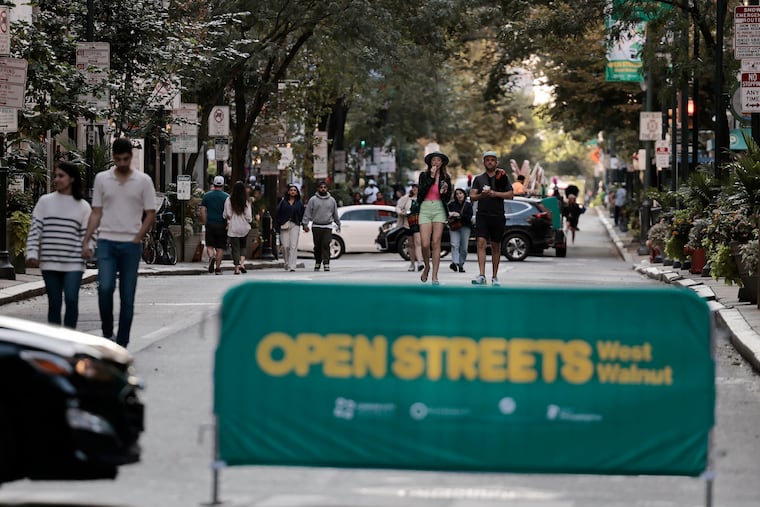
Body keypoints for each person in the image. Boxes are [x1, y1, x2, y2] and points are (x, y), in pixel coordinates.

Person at [82, 138, 156, 347]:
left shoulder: (143, 181)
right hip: (106, 241)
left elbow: (150, 213)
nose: (122, 163)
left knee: (127, 294)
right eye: (118, 159)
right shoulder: (102, 179)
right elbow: (96, 212)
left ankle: (122, 342)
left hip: (131, 245)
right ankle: (107, 334)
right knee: (104, 287)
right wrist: (86, 239)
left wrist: (138, 236)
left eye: (125, 159)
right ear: (113, 158)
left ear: (131, 157)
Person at [26, 161, 92, 328]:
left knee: (71, 299)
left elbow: (89, 233)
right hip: (50, 262)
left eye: (61, 176)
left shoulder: (83, 206)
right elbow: (36, 229)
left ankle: (70, 337)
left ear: (71, 179)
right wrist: (32, 252)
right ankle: (55, 342)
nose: (57, 179)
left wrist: (88, 247)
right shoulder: (45, 202)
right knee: (54, 304)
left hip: (74, 263)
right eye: (56, 175)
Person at [469, 150, 513, 286]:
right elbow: (472, 196)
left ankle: (494, 276)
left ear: (496, 162)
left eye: (492, 160)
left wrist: (495, 193)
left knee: (495, 246)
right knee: (481, 243)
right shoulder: (479, 179)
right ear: (484, 162)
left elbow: (511, 194)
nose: (490, 162)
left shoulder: (503, 177)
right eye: (487, 160)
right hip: (482, 215)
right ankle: (481, 275)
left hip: (498, 216)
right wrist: (482, 195)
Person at [417, 151, 452, 285]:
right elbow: (421, 193)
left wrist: (445, 192)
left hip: (439, 209)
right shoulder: (424, 175)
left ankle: (435, 276)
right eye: (433, 160)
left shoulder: (446, 177)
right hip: (425, 208)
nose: (436, 163)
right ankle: (427, 266)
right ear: (430, 163)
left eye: (438, 160)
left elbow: (448, 197)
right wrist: (432, 176)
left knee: (436, 242)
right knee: (425, 243)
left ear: (442, 163)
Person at [302, 181, 341, 271]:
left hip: (327, 226)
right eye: (321, 187)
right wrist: (305, 224)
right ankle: (318, 261)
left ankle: (326, 263)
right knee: (317, 246)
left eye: (324, 187)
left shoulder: (332, 200)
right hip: (316, 226)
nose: (323, 189)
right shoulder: (313, 200)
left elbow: (335, 213)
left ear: (327, 189)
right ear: (318, 189)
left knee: (326, 244)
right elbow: (307, 213)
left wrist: (338, 224)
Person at [201, 175, 229, 274]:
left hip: (210, 223)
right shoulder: (226, 197)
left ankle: (211, 256)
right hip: (222, 224)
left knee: (209, 245)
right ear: (222, 185)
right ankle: (218, 268)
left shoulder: (207, 196)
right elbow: (228, 212)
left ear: (213, 184)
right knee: (220, 247)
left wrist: (205, 222)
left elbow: (203, 210)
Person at [224, 181, 252, 275]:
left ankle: (236, 268)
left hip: (233, 227)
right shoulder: (246, 201)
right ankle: (242, 264)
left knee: (235, 248)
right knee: (243, 246)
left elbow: (227, 214)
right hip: (244, 226)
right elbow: (248, 216)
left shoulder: (229, 200)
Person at [275, 184, 305, 272]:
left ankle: (292, 266)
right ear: (288, 192)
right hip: (284, 225)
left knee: (293, 245)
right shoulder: (283, 202)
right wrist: (277, 225)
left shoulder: (299, 203)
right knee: (285, 246)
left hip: (295, 225)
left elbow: (302, 214)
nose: (293, 191)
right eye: (291, 190)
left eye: (294, 190)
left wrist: (304, 224)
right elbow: (277, 214)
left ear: (297, 192)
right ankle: (286, 262)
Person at [396, 184, 423, 271]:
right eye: (413, 188)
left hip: (418, 223)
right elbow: (398, 207)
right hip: (408, 224)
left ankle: (420, 262)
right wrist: (401, 212)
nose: (414, 189)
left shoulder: (422, 198)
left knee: (418, 242)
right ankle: (412, 264)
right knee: (410, 244)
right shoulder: (406, 198)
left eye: (416, 188)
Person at [447, 188, 473, 273]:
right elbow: (447, 214)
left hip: (465, 227)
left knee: (464, 248)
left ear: (464, 194)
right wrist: (451, 214)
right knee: (454, 244)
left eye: (460, 193)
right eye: (457, 194)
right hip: (454, 226)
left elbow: (469, 217)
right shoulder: (451, 204)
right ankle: (455, 262)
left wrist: (459, 215)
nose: (459, 195)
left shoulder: (468, 205)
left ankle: (461, 264)